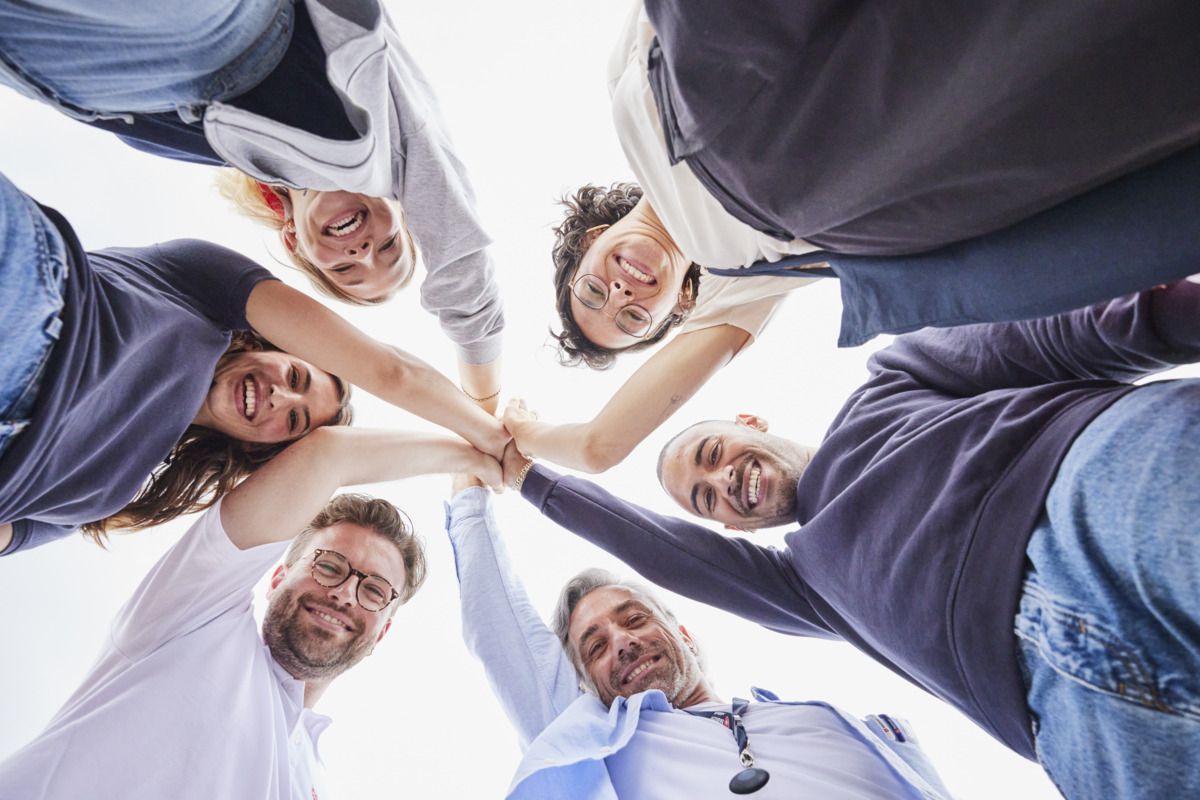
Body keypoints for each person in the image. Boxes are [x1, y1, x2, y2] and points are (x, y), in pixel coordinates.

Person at [503, 278, 1200, 798]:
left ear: (748, 420)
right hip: (1069, 709)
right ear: (727, 528)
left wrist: (1177, 314)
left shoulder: (889, 384)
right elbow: (657, 549)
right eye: (704, 498)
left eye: (713, 454)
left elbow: (1053, 334)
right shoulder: (808, 587)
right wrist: (530, 479)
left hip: (1091, 496)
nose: (723, 482)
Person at [502, 0, 1200, 471]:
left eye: (594, 286)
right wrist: (514, 428)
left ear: (593, 235)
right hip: (859, 175)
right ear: (674, 311)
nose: (622, 289)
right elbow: (600, 447)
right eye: (631, 317)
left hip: (739, 68)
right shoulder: (730, 299)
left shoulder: (625, 99)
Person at [0, 0, 505, 405]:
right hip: (234, 34)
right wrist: (484, 406)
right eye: (391, 245)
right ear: (405, 206)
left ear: (295, 241)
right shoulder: (386, 143)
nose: (364, 250)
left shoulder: (220, 149)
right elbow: (461, 263)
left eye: (348, 270)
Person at [0, 169, 508, 557]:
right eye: (294, 376)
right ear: (265, 345)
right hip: (31, 306)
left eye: (291, 421)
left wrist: (465, 459)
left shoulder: (111, 494)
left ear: (256, 446)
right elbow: (389, 371)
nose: (278, 397)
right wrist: (492, 440)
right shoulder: (200, 290)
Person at [0, 424, 501, 799]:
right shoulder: (192, 616)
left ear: (382, 632)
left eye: (374, 591)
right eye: (330, 566)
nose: (347, 594)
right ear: (279, 575)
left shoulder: (307, 776)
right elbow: (327, 454)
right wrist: (479, 452)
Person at [445, 473, 955, 799]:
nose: (621, 641)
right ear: (587, 688)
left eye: (634, 619)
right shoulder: (601, 742)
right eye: (596, 647)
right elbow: (499, 627)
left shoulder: (827, 719)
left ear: (683, 634)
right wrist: (470, 487)